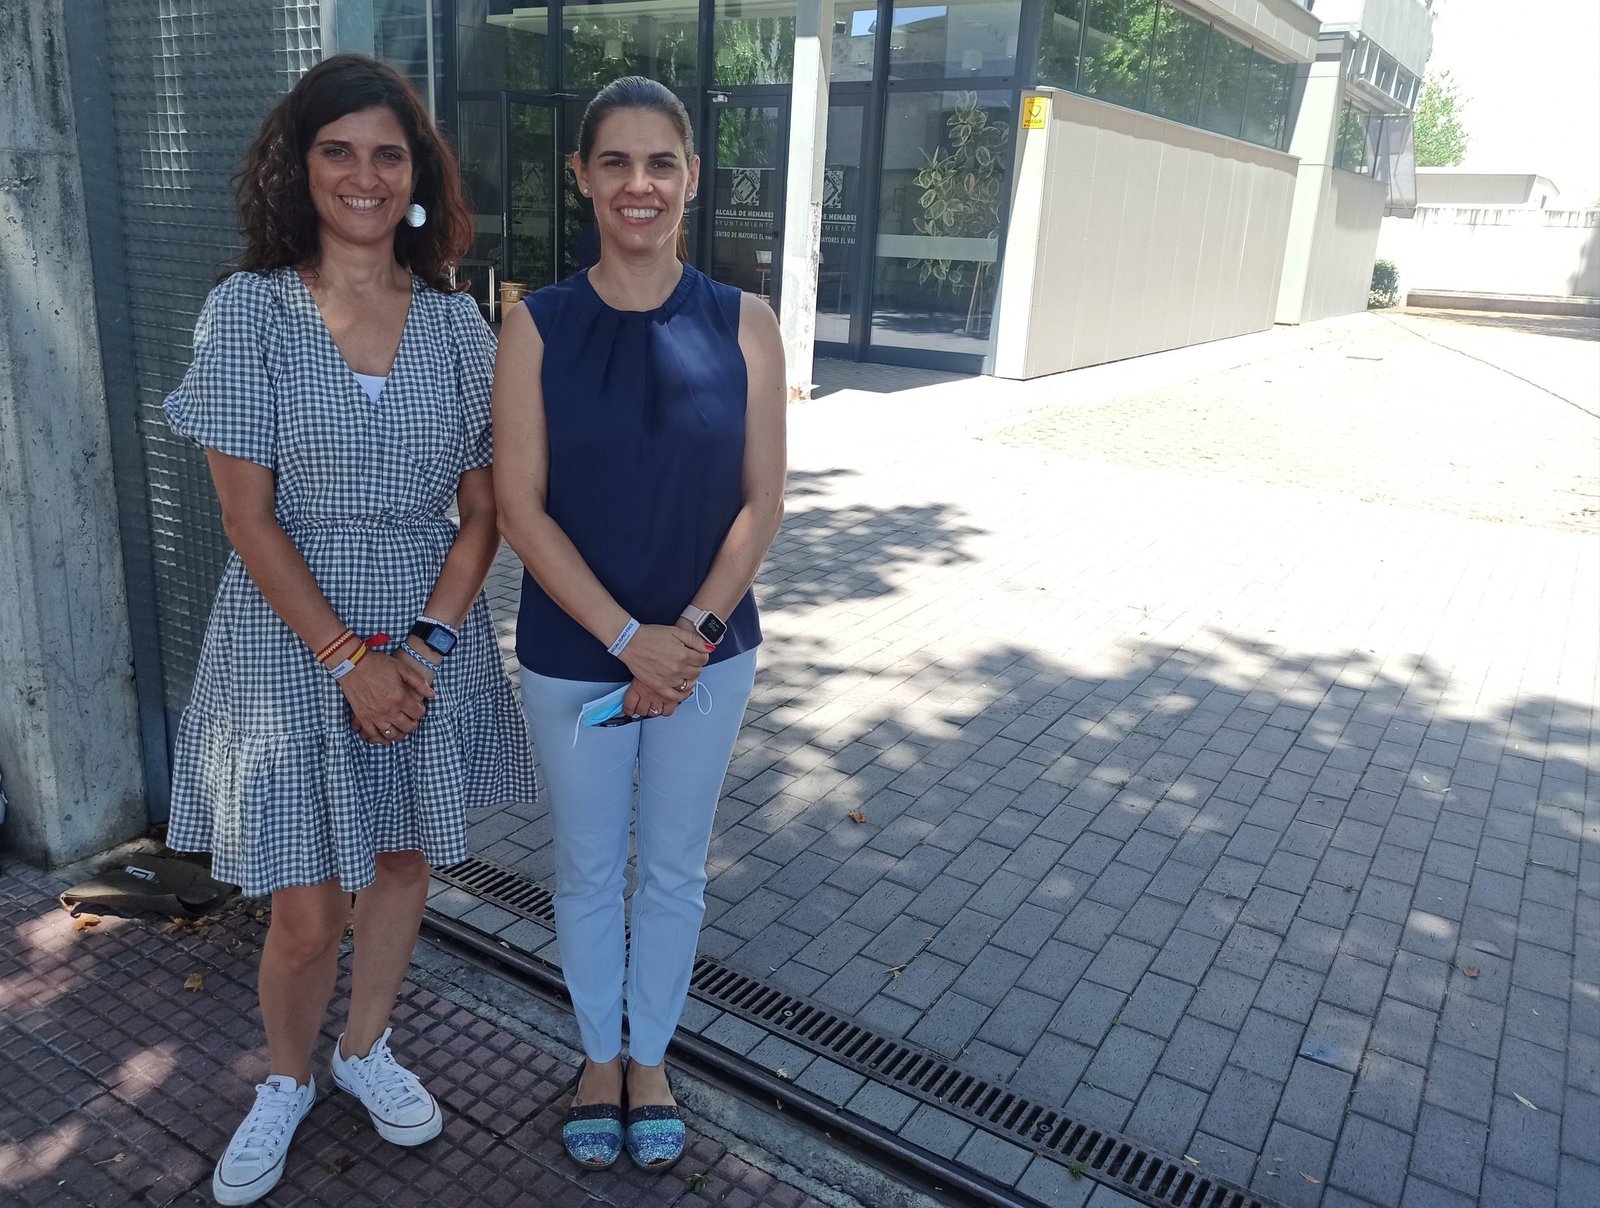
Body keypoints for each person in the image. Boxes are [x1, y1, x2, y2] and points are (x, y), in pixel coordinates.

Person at [161, 54, 537, 1205]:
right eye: (339, 151)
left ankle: (364, 1047)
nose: (364, 175)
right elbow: (244, 511)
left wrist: (421, 648)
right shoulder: (250, 309)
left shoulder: (458, 325)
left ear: (416, 172)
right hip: (290, 638)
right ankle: (285, 1077)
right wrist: (348, 660)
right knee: (304, 897)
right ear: (300, 163)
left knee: (403, 857)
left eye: (388, 152)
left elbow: (484, 510)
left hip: (425, 628)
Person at [492, 76, 786, 1173]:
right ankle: (594, 1057)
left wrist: (691, 634)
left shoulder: (745, 321)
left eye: (660, 162)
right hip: (578, 660)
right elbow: (519, 504)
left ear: (692, 179)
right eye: (613, 162)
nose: (638, 184)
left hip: (709, 659)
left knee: (671, 867)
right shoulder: (535, 325)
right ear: (582, 177)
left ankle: (649, 1055)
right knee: (583, 868)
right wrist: (629, 640)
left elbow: (764, 499)